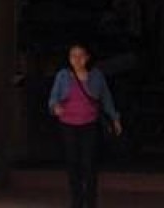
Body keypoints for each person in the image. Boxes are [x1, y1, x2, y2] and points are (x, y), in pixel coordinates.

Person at [48, 43, 122, 208]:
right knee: (72, 163)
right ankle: (76, 201)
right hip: (68, 125)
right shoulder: (63, 76)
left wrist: (115, 118)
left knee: (89, 165)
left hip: (89, 125)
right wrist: (55, 107)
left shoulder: (96, 76)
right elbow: (53, 98)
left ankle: (90, 201)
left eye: (80, 55)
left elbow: (106, 98)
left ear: (87, 58)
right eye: (73, 56)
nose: (77, 59)